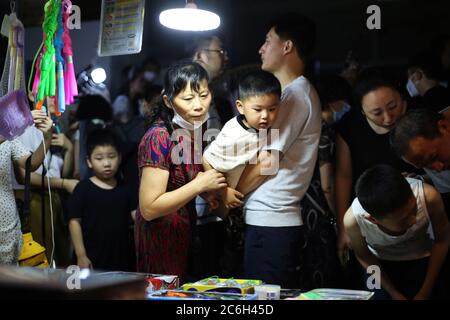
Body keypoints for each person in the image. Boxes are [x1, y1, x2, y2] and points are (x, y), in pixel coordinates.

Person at [234, 13, 322, 288]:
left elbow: (267, 161)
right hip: (270, 221)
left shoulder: (294, 95)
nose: (261, 48)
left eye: (267, 40)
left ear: (287, 47)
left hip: (272, 222)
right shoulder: (291, 93)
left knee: (263, 301)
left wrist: (231, 196)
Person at [135, 61, 227, 283]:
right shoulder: (159, 137)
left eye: (203, 95)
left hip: (184, 233)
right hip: (160, 237)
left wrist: (208, 193)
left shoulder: (192, 129)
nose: (198, 105)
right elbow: (149, 208)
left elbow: (184, 176)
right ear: (168, 101)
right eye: (187, 99)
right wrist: (199, 186)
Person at [335, 69, 421, 268]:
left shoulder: (418, 115)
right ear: (362, 111)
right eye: (377, 113)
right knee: (375, 278)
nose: (389, 117)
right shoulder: (350, 126)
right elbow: (343, 176)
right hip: (372, 220)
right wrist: (343, 228)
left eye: (393, 106)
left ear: (402, 96)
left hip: (418, 214)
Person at [344, 164, 450, 299]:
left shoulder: (428, 196)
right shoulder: (353, 221)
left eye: (414, 209)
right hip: (377, 263)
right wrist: (394, 294)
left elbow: (442, 241)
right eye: (403, 219)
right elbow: (365, 258)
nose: (412, 220)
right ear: (373, 219)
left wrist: (426, 290)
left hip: (423, 257)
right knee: (373, 294)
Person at [203, 69, 281, 208]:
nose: (265, 116)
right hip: (224, 202)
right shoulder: (233, 133)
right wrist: (223, 192)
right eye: (257, 110)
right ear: (240, 107)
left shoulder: (271, 129)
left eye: (272, 109)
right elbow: (207, 159)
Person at [68, 128, 136, 271]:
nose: (106, 163)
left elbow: (137, 218)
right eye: (99, 158)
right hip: (90, 258)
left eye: (111, 156)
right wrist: (81, 255)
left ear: (120, 157)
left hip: (121, 258)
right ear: (89, 162)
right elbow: (74, 222)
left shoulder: (126, 189)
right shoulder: (83, 189)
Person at [0, 109, 53, 264]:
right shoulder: (7, 132)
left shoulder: (7, 134)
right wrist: (16, 124)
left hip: (8, 223)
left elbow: (30, 164)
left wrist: (47, 139)